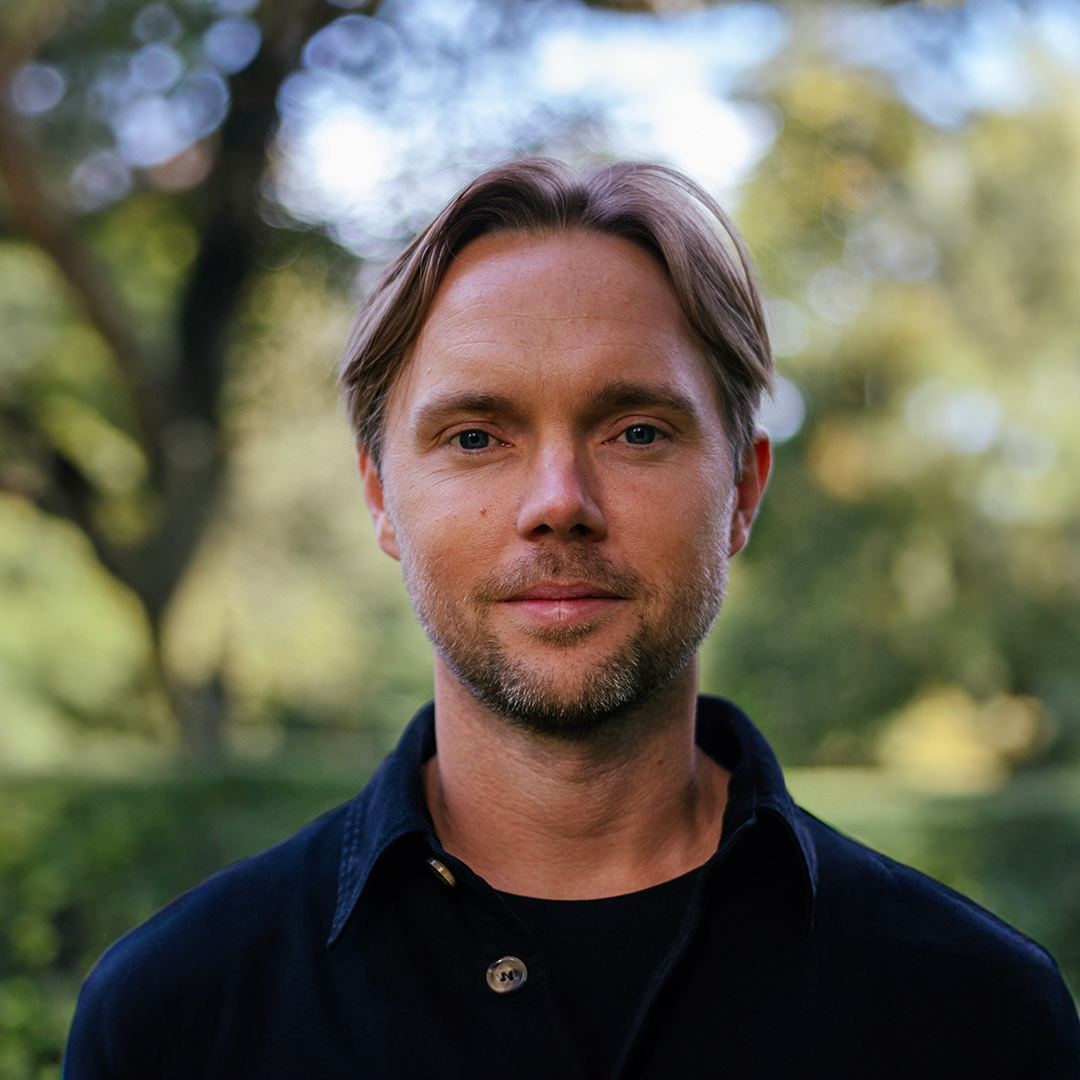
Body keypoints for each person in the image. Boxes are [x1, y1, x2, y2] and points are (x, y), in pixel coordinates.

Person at [64, 158, 1080, 1080]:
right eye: (476, 436)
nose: (559, 501)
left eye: (636, 431)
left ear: (742, 492)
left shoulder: (981, 1017)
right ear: (380, 499)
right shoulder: (172, 1020)